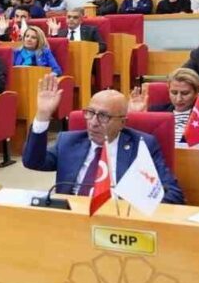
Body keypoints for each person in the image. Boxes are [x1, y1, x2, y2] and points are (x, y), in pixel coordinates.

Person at [23, 75, 184, 203]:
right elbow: (32, 162)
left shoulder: (142, 145)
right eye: (90, 113)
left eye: (104, 116)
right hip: (73, 217)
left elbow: (174, 194)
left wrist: (134, 208)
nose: (93, 122)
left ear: (122, 123)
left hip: (119, 220)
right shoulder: (68, 141)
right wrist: (43, 115)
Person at [129, 68, 199, 144]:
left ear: (197, 92)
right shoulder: (155, 112)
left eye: (185, 93)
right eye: (174, 93)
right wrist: (136, 115)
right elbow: (138, 141)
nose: (178, 99)